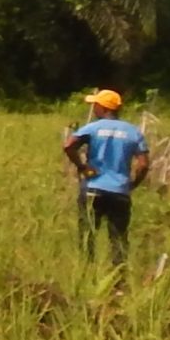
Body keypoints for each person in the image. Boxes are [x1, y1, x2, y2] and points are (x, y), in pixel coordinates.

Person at [64, 89, 149, 265]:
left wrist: (82, 166)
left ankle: (87, 273)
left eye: (96, 104)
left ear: (103, 108)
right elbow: (143, 164)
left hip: (93, 188)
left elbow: (69, 146)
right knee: (118, 238)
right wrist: (133, 184)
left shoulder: (93, 128)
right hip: (120, 192)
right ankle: (118, 282)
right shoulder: (133, 132)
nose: (94, 108)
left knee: (88, 235)